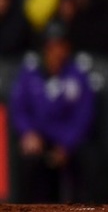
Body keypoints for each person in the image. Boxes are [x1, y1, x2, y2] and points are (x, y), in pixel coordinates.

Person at [9, 23, 98, 202]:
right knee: (27, 159)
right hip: (40, 140)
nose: (56, 52)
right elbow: (19, 108)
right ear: (44, 49)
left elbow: (84, 115)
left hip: (68, 142)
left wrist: (66, 145)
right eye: (51, 47)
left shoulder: (77, 75)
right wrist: (28, 132)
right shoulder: (30, 73)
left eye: (61, 46)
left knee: (91, 159)